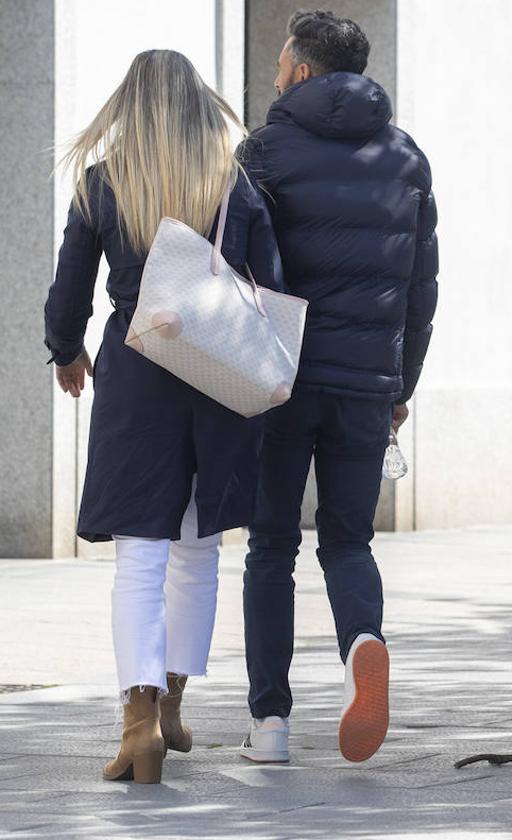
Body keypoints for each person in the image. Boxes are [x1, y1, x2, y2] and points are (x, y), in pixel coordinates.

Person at [43, 50, 285, 784]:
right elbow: (270, 287)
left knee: (139, 560)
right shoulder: (233, 185)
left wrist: (66, 352)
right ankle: (174, 700)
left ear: (131, 106)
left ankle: (139, 724)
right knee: (198, 549)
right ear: (197, 105)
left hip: (138, 373)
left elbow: (68, 290)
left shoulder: (103, 183)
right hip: (215, 376)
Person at [238, 10, 438, 764]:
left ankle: (271, 725)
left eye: (282, 59)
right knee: (348, 540)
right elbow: (423, 287)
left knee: (271, 547)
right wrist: (399, 385)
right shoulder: (405, 157)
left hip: (279, 379)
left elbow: (234, 265)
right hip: (364, 386)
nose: (276, 71)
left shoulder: (265, 150)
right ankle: (362, 643)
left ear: (303, 70)